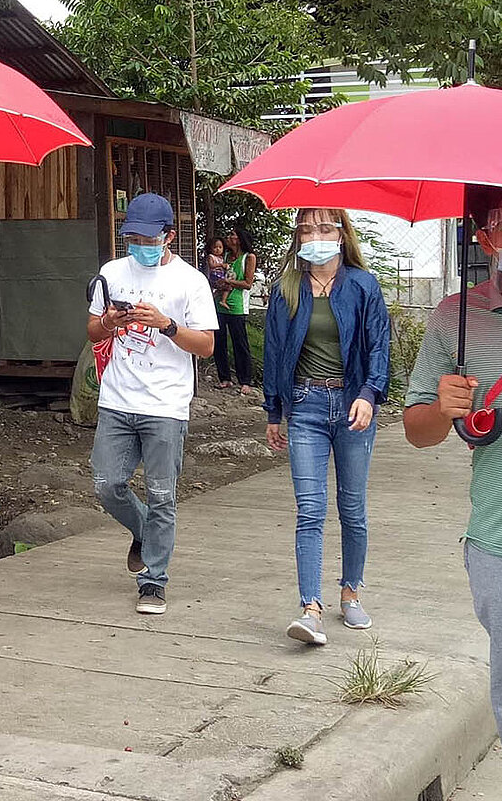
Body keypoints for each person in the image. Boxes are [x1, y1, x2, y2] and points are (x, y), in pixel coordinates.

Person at [264, 208, 389, 647]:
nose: (314, 236)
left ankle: (351, 592)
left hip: (354, 406)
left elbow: (379, 345)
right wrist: (273, 412)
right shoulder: (287, 289)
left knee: (352, 507)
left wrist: (370, 394)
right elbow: (274, 351)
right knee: (310, 510)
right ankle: (310, 608)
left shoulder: (363, 286)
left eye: (323, 228)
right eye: (306, 229)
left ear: (341, 233)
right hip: (306, 406)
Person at [89, 193, 217, 616]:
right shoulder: (112, 272)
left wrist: (166, 324)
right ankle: (144, 532)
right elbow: (92, 331)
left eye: (148, 238)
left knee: (162, 493)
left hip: (166, 404)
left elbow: (207, 345)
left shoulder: (190, 282)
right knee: (107, 483)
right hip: (117, 398)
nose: (139, 245)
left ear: (169, 238)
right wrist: (111, 321)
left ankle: (153, 581)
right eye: (132, 238)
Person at [404, 194, 502, 738]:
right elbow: (418, 432)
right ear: (483, 237)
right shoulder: (455, 318)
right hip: (495, 536)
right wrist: (443, 407)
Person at [213, 226, 256, 395]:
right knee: (219, 342)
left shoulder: (249, 257)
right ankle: (224, 378)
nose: (229, 238)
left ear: (239, 239)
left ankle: (245, 380)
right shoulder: (225, 257)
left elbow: (248, 283)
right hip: (220, 305)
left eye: (232, 235)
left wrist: (228, 282)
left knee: (240, 343)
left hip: (237, 306)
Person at [203, 237, 232, 310]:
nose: (218, 249)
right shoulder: (211, 256)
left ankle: (218, 299)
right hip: (214, 275)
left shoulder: (222, 258)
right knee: (227, 286)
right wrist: (221, 265)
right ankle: (223, 301)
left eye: (220, 247)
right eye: (215, 247)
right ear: (210, 248)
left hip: (221, 275)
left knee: (222, 288)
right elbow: (211, 266)